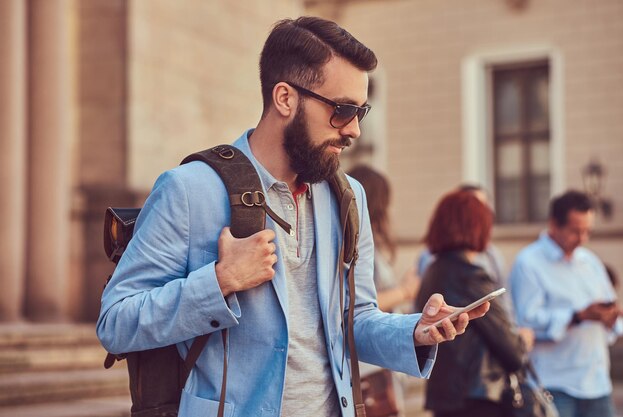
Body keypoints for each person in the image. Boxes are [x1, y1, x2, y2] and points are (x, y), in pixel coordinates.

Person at [96, 16, 488, 417]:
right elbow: (116, 323)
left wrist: (415, 332)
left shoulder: (349, 197)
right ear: (285, 98)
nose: (353, 130)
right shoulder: (189, 189)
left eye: (360, 111)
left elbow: (355, 321)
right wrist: (220, 281)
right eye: (341, 109)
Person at [509, 190, 623, 417]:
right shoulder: (529, 263)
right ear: (554, 225)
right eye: (575, 231)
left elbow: (612, 319)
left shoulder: (590, 262)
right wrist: (577, 316)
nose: (582, 239)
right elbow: (527, 322)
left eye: (587, 231)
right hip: (554, 383)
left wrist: (611, 315)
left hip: (596, 382)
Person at [415, 189, 528, 417]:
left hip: (444, 397)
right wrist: (524, 341)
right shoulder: (470, 276)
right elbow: (510, 350)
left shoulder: (432, 271)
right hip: (477, 398)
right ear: (477, 226)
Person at [348, 165, 421, 417]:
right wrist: (404, 291)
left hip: (377, 365)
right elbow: (356, 303)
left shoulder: (367, 242)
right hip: (369, 368)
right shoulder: (356, 243)